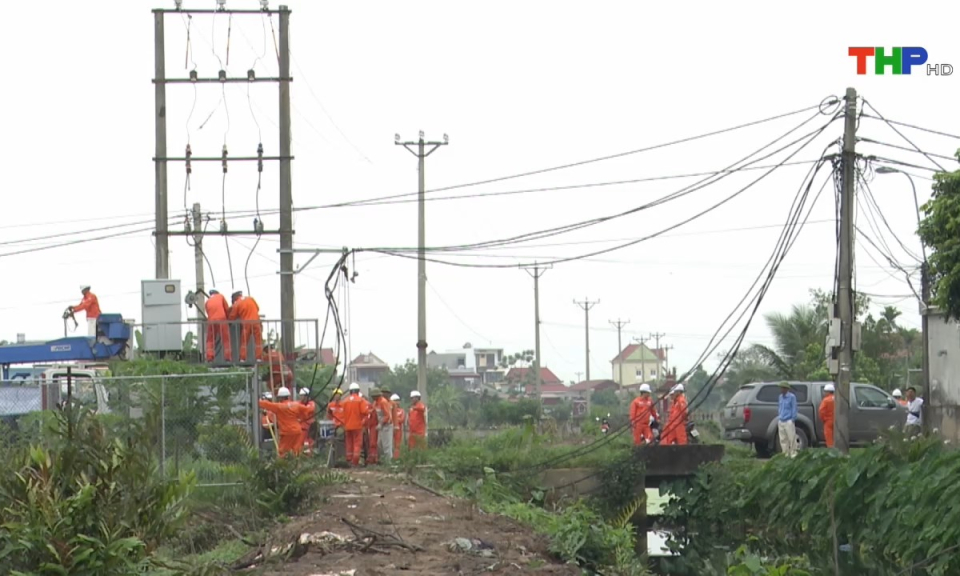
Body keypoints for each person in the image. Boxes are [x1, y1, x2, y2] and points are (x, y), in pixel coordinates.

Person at [257, 386, 314, 457]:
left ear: (280, 397)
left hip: (287, 433)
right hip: (297, 431)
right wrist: (311, 403)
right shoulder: (296, 405)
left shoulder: (278, 406)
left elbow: (266, 404)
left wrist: (257, 400)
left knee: (282, 452)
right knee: (296, 451)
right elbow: (309, 409)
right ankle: (296, 465)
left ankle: (283, 466)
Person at [339, 383, 369, 466]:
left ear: (350, 391)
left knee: (349, 443)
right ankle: (355, 461)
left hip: (347, 426)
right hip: (357, 426)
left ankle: (349, 459)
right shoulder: (361, 400)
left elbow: (341, 414)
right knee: (357, 443)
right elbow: (365, 412)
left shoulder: (344, 401)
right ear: (358, 391)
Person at [232, 292, 263, 362]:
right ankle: (259, 358)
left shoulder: (237, 303)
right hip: (256, 321)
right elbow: (257, 308)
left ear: (234, 298)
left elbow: (232, 316)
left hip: (246, 323)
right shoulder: (250, 299)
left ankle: (242, 358)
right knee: (258, 340)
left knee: (244, 341)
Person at [204, 289, 232, 362]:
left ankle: (209, 357)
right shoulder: (221, 296)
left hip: (211, 321)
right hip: (222, 320)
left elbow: (207, 312)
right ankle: (227, 357)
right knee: (225, 339)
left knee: (210, 340)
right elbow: (226, 308)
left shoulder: (207, 301)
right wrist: (229, 319)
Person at [777, 382, 798, 457]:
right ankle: (785, 454)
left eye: (782, 388)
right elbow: (780, 407)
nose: (781, 389)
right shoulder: (780, 397)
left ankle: (793, 454)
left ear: (786, 389)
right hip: (781, 420)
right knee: (783, 439)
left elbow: (794, 408)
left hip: (789, 420)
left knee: (791, 438)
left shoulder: (792, 397)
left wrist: (792, 419)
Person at [365, 388, 385, 465]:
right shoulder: (374, 404)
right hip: (371, 426)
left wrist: (380, 424)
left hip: (375, 426)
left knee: (374, 443)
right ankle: (372, 458)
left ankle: (374, 458)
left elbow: (386, 416)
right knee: (371, 443)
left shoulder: (381, 403)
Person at [299, 387, 317, 453]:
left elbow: (309, 409)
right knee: (301, 443)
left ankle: (309, 457)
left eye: (302, 395)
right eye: (300, 395)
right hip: (301, 427)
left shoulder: (311, 403)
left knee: (309, 443)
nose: (301, 397)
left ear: (306, 396)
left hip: (310, 427)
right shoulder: (299, 403)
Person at [819, 383, 836, 448]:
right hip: (837, 421)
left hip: (828, 421)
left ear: (828, 392)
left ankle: (831, 449)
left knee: (829, 436)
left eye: (825, 391)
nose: (824, 393)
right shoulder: (837, 399)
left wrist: (824, 419)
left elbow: (821, 410)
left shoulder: (826, 400)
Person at [390, 393, 405, 459]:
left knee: (397, 444)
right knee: (390, 444)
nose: (397, 402)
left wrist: (395, 419)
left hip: (398, 430)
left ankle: (396, 458)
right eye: (395, 400)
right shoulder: (390, 410)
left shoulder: (401, 411)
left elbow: (402, 419)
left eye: (397, 400)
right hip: (390, 429)